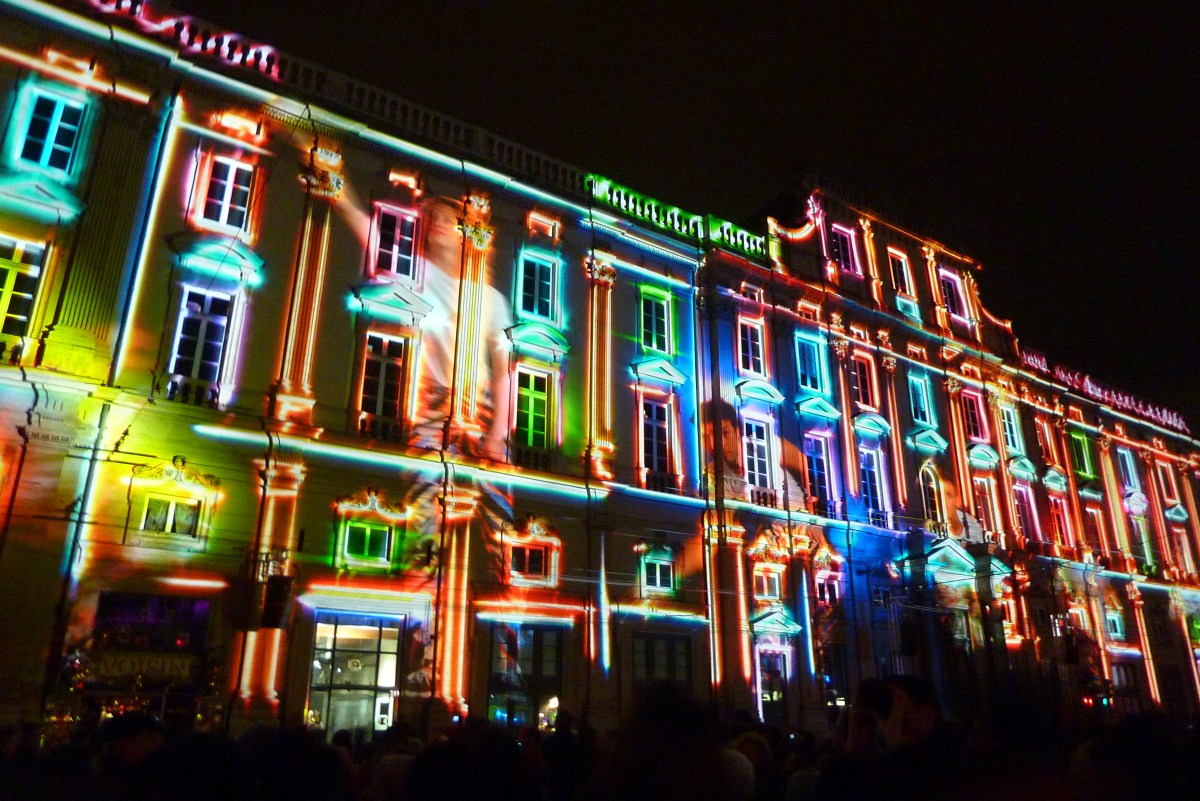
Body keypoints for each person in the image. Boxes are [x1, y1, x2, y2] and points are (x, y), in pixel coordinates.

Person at [409, 195, 512, 461]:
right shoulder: (420, 275)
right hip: (431, 406)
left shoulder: (492, 299)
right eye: (433, 219)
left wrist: (498, 432)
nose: (438, 224)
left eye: (448, 220)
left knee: (483, 495)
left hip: (479, 408)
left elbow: (503, 373)